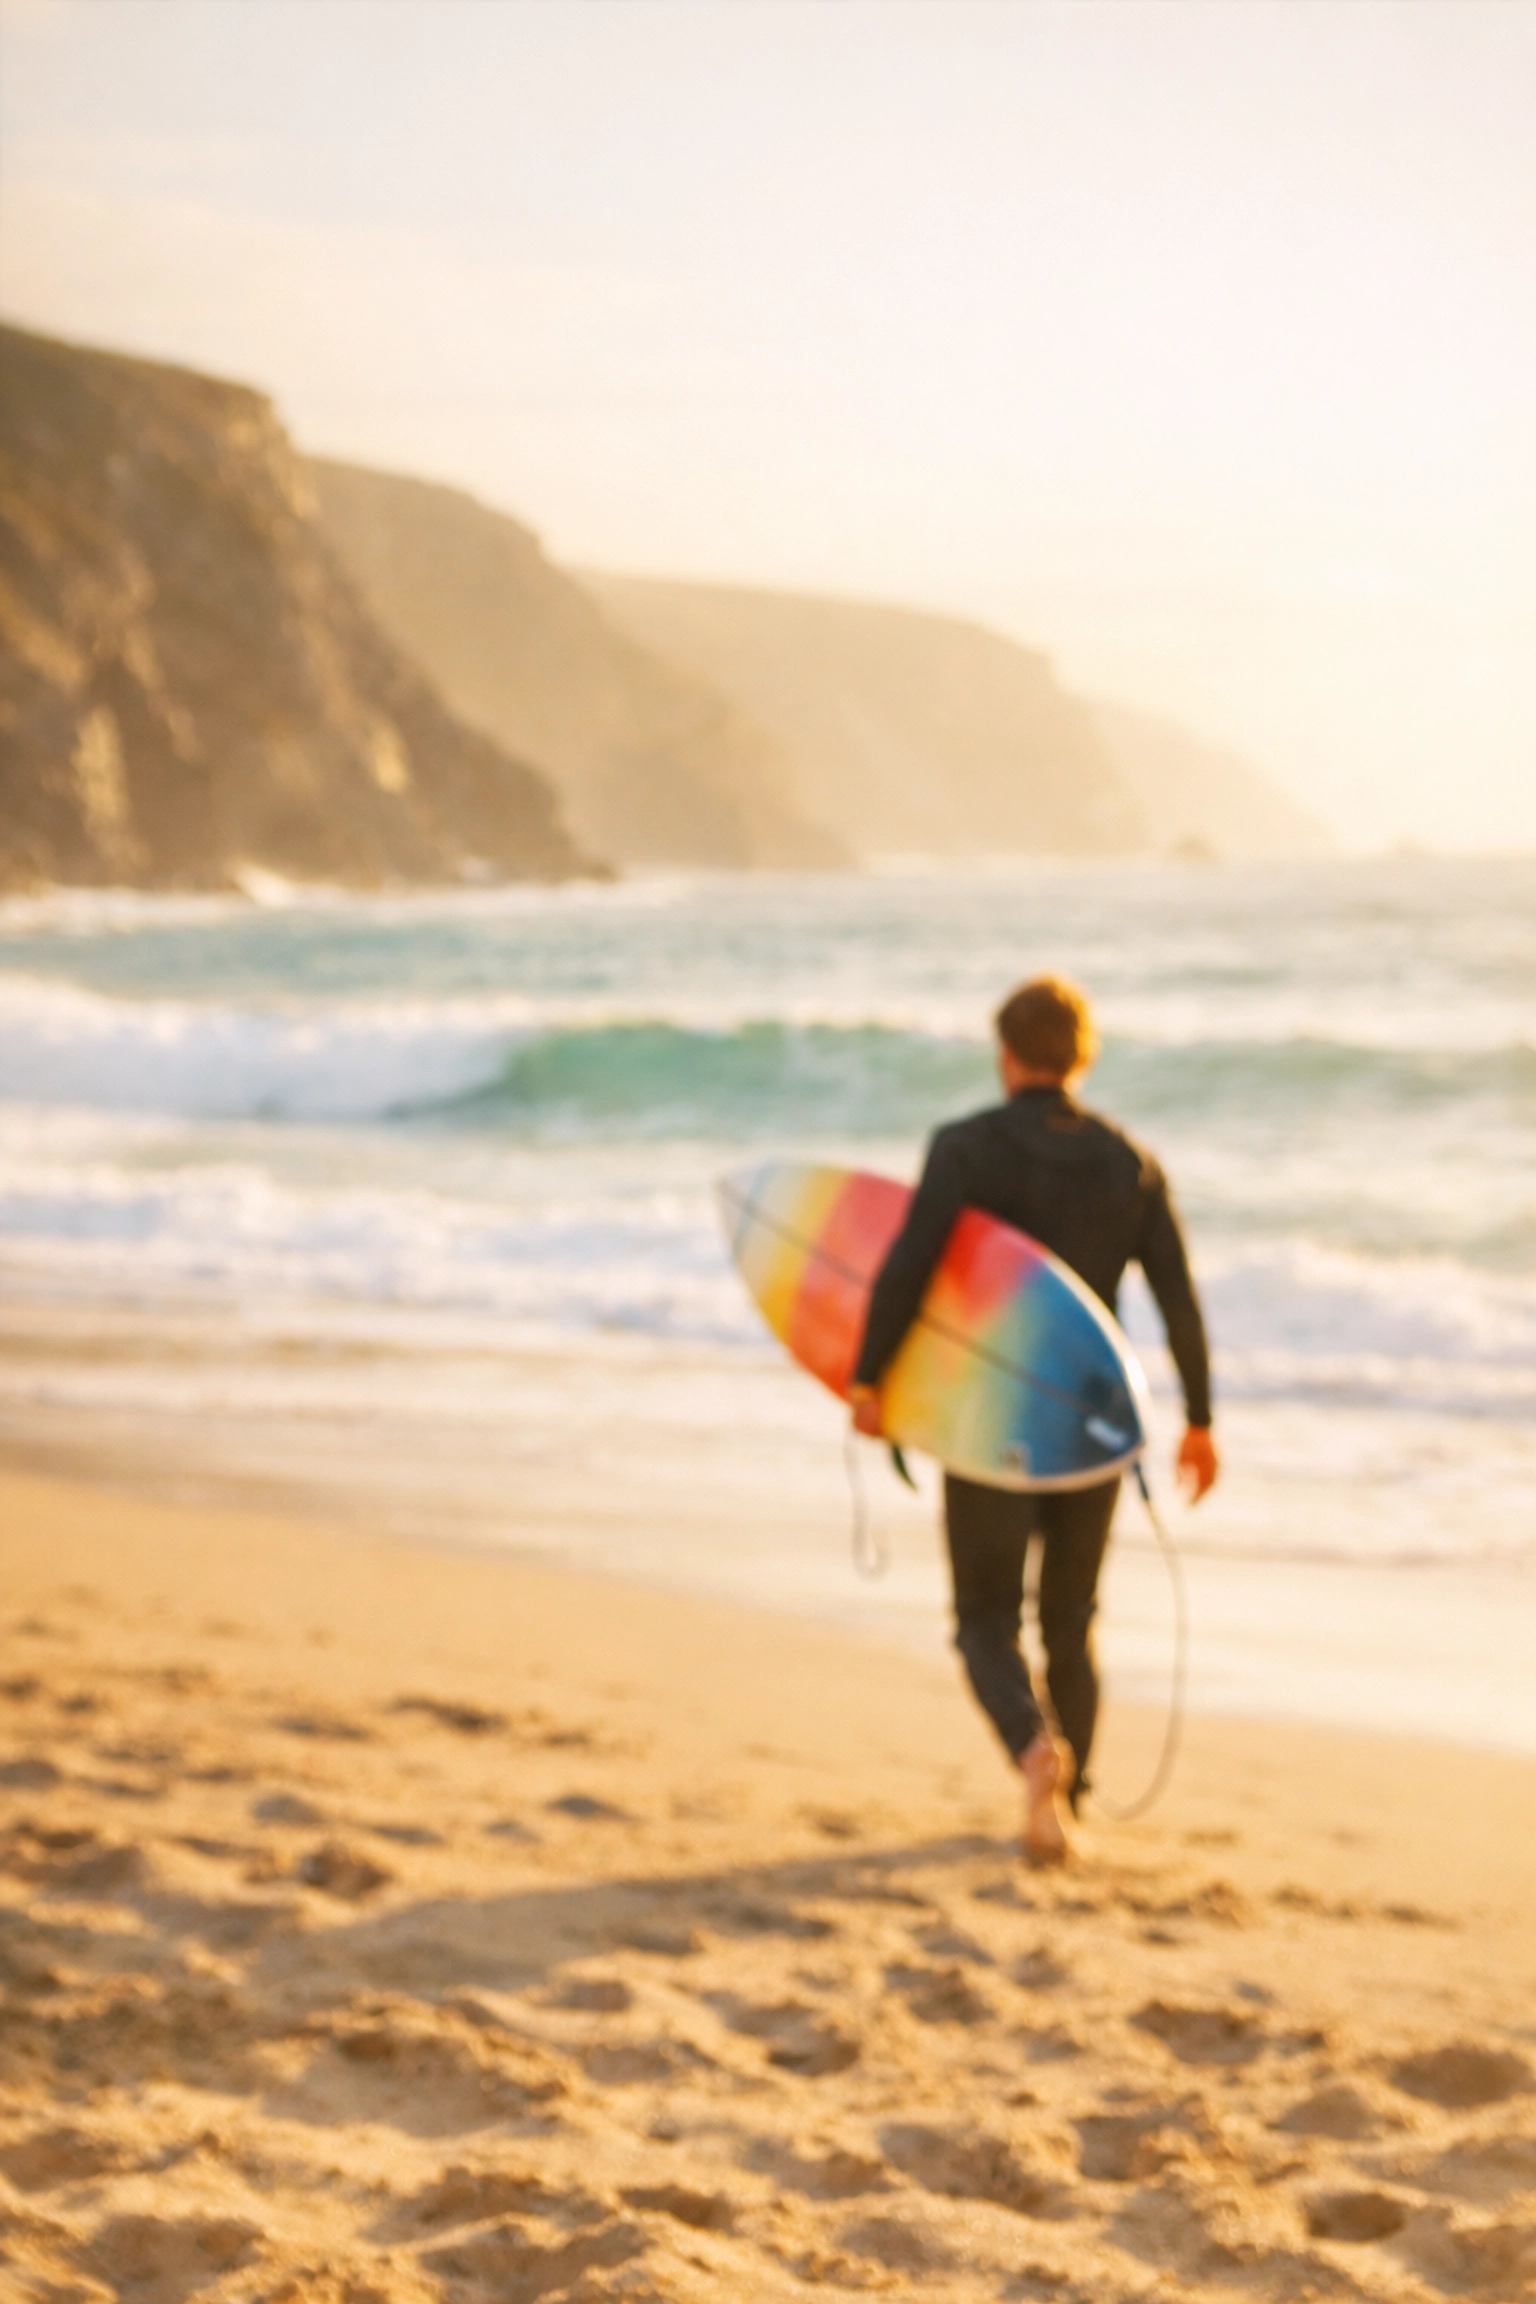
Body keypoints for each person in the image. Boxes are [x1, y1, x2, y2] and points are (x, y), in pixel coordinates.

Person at [848, 974, 1217, 1864]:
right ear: (1080, 1057)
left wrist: (869, 1381)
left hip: (988, 1420)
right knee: (1070, 1620)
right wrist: (1200, 1420)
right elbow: (1177, 1300)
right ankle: (1074, 1797)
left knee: (983, 1615)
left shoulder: (966, 1149)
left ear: (1007, 1054)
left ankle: (1031, 1749)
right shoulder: (1130, 1162)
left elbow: (909, 1268)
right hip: (1093, 1429)